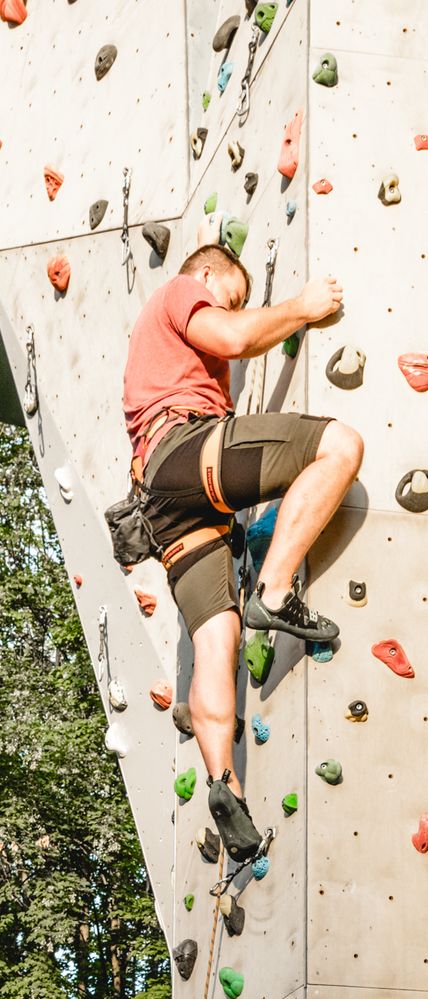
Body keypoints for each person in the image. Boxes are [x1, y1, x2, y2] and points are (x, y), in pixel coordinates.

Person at [123, 244, 363, 862]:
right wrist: (302, 308)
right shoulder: (180, 292)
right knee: (339, 445)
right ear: (207, 274)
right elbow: (231, 336)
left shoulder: (153, 356)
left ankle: (223, 785)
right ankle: (278, 590)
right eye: (230, 293)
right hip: (184, 449)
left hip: (164, 507)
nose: (229, 306)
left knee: (215, 642)